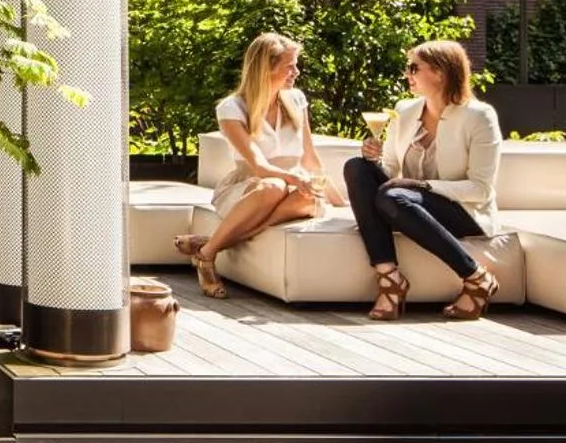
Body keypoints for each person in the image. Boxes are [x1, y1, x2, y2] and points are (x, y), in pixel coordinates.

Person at [342, 41, 502, 321]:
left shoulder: (479, 117)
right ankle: (390, 278)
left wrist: (423, 186)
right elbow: (391, 171)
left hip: (461, 210)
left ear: (440, 72)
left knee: (394, 197)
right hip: (404, 202)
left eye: (414, 68)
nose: (408, 74)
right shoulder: (405, 110)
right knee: (357, 167)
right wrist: (375, 160)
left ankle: (476, 276)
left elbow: (480, 189)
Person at [175, 32, 327, 298]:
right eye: (290, 66)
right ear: (266, 67)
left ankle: (208, 248)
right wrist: (294, 179)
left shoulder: (297, 100)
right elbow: (259, 165)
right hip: (249, 186)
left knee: (308, 200)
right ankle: (208, 257)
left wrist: (338, 200)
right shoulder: (231, 108)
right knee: (273, 186)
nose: (297, 71)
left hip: (291, 186)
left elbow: (310, 157)